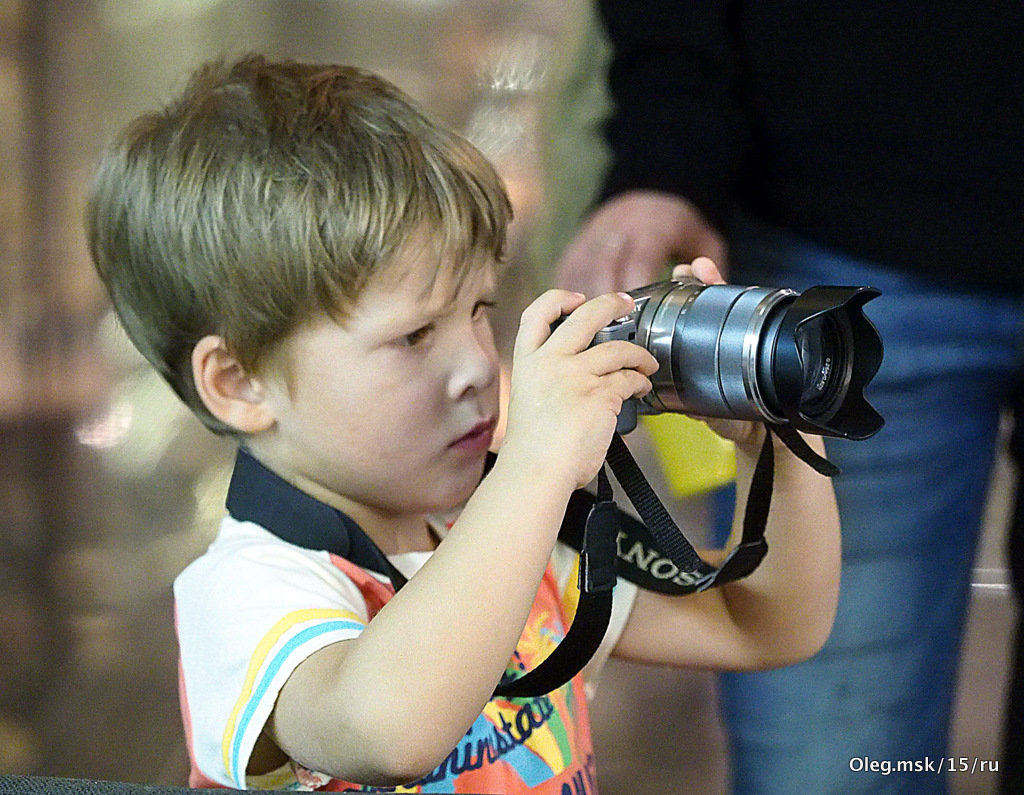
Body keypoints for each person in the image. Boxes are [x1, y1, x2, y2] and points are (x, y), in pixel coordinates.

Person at [84, 54, 840, 792]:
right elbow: (389, 731)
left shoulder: (501, 522)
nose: (480, 363)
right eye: (413, 336)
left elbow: (764, 624)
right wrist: (535, 470)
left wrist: (778, 442)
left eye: (478, 309)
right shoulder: (251, 591)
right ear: (239, 381)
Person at [554, 2, 1024, 793]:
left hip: (834, 228)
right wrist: (666, 145)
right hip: (832, 222)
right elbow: (772, 627)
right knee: (835, 763)